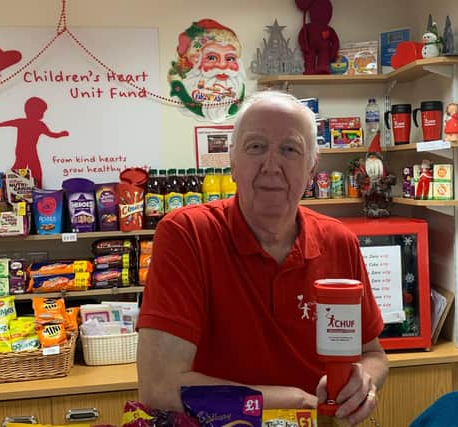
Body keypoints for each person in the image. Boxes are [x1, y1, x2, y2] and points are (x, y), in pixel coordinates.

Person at [137, 90, 388, 425]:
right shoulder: (188, 235)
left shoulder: (338, 241)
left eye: (289, 149)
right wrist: (296, 401)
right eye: (256, 147)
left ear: (312, 167)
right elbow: (159, 387)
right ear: (232, 161)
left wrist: (363, 383)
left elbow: (374, 354)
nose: (271, 165)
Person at [168, 19, 246, 121]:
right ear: (196, 59)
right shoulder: (186, 88)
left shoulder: (238, 90)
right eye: (211, 58)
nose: (222, 66)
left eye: (229, 58)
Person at [0, 96, 69, 189]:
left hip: (30, 151)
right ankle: (6, 188)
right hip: (22, 151)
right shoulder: (23, 122)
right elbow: (7, 123)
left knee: (34, 171)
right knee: (21, 169)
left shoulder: (39, 125)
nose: (42, 114)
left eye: (43, 112)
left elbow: (51, 134)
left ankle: (37, 190)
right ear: (30, 111)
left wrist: (61, 134)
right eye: (41, 111)